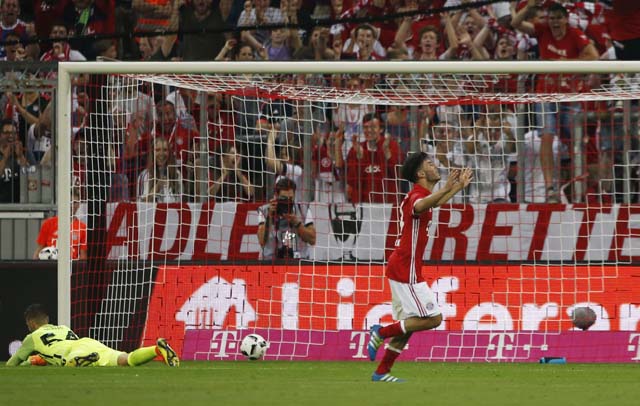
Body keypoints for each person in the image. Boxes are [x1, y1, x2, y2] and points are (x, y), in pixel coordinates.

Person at [367, 152, 472, 382]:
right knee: (433, 318)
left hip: (404, 266)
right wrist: (446, 188)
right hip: (406, 268)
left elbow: (437, 201)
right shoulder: (416, 196)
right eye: (430, 164)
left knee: (410, 324)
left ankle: (381, 372)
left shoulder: (423, 194)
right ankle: (380, 332)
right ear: (420, 173)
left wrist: (457, 188)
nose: (436, 166)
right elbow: (423, 205)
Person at [6, 304, 179, 367]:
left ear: (31, 323)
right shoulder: (63, 328)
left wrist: (28, 361)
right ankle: (157, 349)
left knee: (68, 362)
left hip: (71, 352)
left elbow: (12, 363)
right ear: (47, 319)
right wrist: (39, 359)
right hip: (88, 342)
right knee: (126, 359)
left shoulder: (32, 337)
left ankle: (80, 361)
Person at [257, 177, 316, 260]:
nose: (287, 202)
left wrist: (297, 223)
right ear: (276, 195)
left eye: (290, 199)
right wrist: (269, 216)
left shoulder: (303, 209)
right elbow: (262, 241)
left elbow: (312, 240)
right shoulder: (265, 210)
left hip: (299, 262)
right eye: (284, 199)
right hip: (271, 262)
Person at [33, 188, 87, 260]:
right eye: (69, 202)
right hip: (49, 266)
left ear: (79, 204)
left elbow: (83, 256)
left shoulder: (83, 228)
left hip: (71, 267)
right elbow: (38, 250)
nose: (72, 205)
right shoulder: (48, 223)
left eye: (75, 202)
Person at [0, 119, 28, 203]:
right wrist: (5, 158)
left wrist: (21, 156)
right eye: (7, 133)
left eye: (14, 133)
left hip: (20, 207)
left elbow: (31, 177)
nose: (11, 136)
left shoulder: (24, 152)